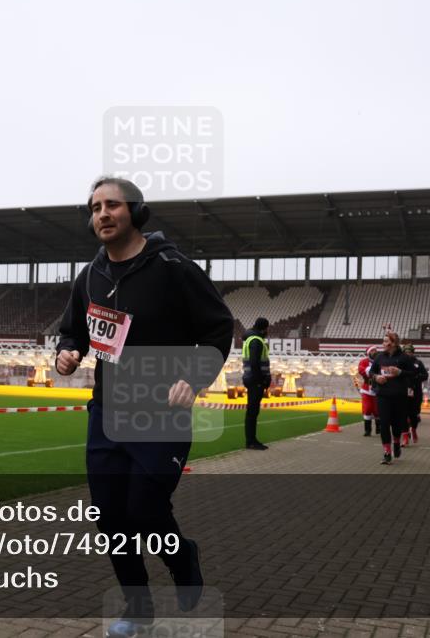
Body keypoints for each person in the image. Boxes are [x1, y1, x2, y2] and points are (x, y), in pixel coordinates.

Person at [55, 177, 234, 637]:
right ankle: (137, 610)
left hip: (162, 415)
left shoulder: (173, 267)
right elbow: (73, 329)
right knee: (112, 519)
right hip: (107, 414)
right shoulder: (91, 275)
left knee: (145, 510)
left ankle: (182, 557)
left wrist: (194, 379)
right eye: (95, 208)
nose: (102, 214)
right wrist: (69, 353)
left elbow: (217, 329)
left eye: (112, 205)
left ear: (136, 211)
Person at [368, 331, 416, 465]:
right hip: (383, 395)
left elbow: (413, 374)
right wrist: (376, 377)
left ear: (393, 343)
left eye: (385, 341)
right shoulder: (379, 358)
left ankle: (396, 442)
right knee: (384, 424)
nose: (383, 344)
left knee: (396, 424)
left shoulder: (404, 358)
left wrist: (400, 372)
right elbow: (371, 372)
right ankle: (387, 452)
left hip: (399, 396)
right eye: (383, 341)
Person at [241, 317, 271, 450]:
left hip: (251, 378)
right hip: (255, 380)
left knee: (252, 411)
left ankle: (251, 440)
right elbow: (254, 363)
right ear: (264, 328)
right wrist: (262, 380)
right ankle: (251, 441)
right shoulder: (256, 341)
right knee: (253, 411)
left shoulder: (250, 339)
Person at [401, 343, 428, 445]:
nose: (408, 354)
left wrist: (416, 377)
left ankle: (413, 430)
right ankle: (405, 436)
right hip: (403, 392)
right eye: (406, 352)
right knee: (403, 415)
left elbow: (425, 375)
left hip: (416, 393)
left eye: (410, 352)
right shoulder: (400, 363)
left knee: (414, 415)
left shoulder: (418, 363)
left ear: (413, 353)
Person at [356, 346, 379, 436]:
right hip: (366, 389)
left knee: (377, 410)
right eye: (372, 351)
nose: (375, 352)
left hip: (377, 388)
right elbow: (361, 370)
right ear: (368, 353)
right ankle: (367, 430)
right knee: (367, 408)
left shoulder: (380, 360)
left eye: (375, 350)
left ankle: (378, 427)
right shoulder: (364, 361)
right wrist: (369, 370)